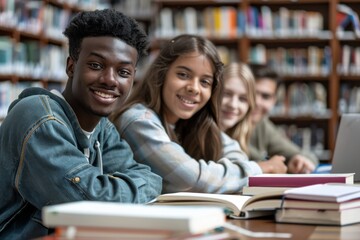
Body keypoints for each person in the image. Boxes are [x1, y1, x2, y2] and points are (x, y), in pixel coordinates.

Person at [0, 9, 162, 239]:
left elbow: (149, 177)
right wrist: (121, 189)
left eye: (123, 71)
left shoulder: (102, 128)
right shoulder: (38, 118)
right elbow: (90, 205)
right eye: (96, 65)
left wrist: (113, 189)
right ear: (71, 67)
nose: (110, 80)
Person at [110, 34, 263, 194]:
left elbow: (234, 151)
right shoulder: (139, 120)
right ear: (162, 74)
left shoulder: (190, 121)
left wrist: (240, 171)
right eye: (183, 75)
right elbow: (193, 180)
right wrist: (258, 168)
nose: (194, 88)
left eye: (205, 82)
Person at [248, 63, 318, 174]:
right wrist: (269, 165)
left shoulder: (262, 124)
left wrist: (299, 161)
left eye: (265, 96)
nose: (257, 102)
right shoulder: (224, 122)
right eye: (251, 93)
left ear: (274, 100)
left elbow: (303, 154)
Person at [219, 62, 287, 174]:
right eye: (226, 94)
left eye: (243, 98)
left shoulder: (261, 125)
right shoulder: (209, 131)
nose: (256, 102)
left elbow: (299, 153)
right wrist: (265, 166)